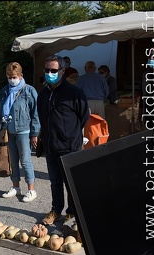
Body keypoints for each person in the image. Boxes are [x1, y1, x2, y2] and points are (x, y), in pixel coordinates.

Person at [37, 55, 90, 225]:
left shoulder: (74, 93)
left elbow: (84, 116)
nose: (50, 73)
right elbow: (41, 116)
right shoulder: (43, 93)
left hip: (69, 146)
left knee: (71, 182)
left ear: (62, 71)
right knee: (55, 181)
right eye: (47, 70)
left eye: (53, 70)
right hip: (51, 145)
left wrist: (71, 134)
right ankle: (56, 210)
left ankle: (72, 212)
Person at [0, 62, 40, 202]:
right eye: (9, 77)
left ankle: (31, 189)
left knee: (26, 160)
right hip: (9, 129)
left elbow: (36, 113)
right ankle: (16, 187)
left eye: (14, 76)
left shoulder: (29, 91)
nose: (11, 79)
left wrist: (35, 133)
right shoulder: (4, 91)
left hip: (24, 130)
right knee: (13, 160)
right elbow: (0, 111)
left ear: (21, 75)